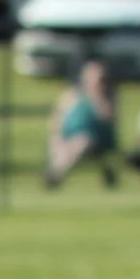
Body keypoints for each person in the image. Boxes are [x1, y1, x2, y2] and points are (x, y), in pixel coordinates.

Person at [43, 58, 118, 188]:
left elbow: (108, 120)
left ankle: (55, 173)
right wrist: (57, 134)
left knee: (81, 142)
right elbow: (57, 118)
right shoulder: (72, 95)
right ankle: (55, 173)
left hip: (95, 140)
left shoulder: (106, 98)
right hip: (67, 137)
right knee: (59, 144)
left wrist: (96, 99)